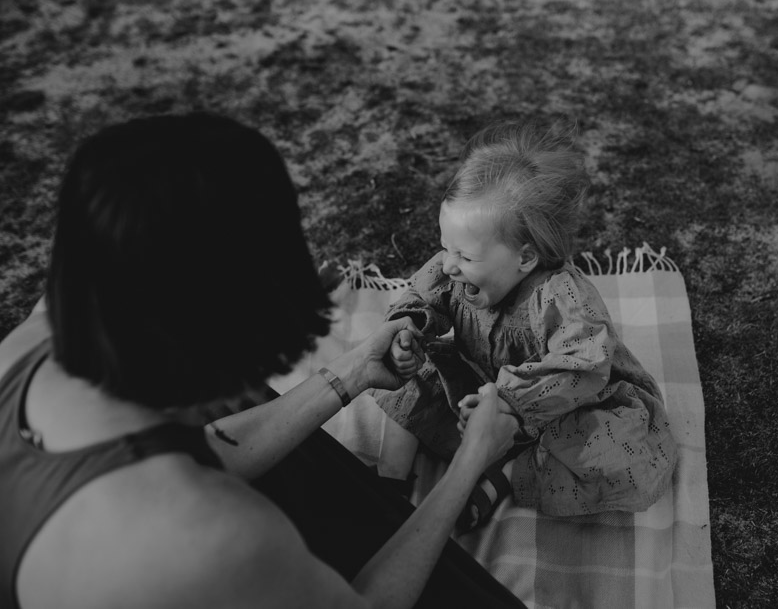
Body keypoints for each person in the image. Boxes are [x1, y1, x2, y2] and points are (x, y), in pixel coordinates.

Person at [0, 113, 523, 609]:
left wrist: (356, 369)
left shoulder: (35, 338)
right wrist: (469, 461)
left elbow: (194, 450)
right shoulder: (214, 537)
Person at [373, 120, 678, 530]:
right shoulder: (456, 268)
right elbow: (422, 295)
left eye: (463, 255)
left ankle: (505, 475)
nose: (447, 264)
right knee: (410, 368)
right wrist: (408, 329)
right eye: (445, 246)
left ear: (525, 258)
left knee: (627, 456)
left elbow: (583, 367)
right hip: (480, 386)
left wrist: (510, 405)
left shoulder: (565, 299)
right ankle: (386, 482)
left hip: (565, 405)